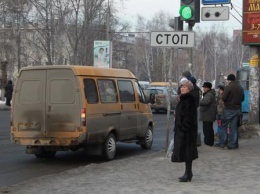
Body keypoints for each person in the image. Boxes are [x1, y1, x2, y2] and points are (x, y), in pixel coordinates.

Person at [171, 79, 198, 182]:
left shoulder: (189, 99)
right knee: (186, 152)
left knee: (187, 152)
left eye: (185, 87)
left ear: (189, 89)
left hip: (187, 132)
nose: (182, 88)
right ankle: (188, 173)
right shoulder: (182, 98)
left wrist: (184, 128)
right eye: (181, 87)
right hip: (182, 130)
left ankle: (188, 173)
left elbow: (190, 117)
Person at [215, 74, 244, 150]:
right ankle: (232, 144)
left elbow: (224, 98)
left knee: (223, 126)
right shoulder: (240, 87)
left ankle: (222, 143)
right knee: (234, 127)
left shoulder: (228, 87)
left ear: (229, 80)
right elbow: (243, 98)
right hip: (237, 109)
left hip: (228, 109)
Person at [199, 82, 216, 147]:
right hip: (208, 114)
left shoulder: (209, 95)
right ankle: (209, 142)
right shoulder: (210, 94)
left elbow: (205, 102)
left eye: (205, 87)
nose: (203, 89)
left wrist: (199, 101)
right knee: (208, 129)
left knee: (207, 130)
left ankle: (208, 142)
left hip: (207, 115)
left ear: (208, 88)